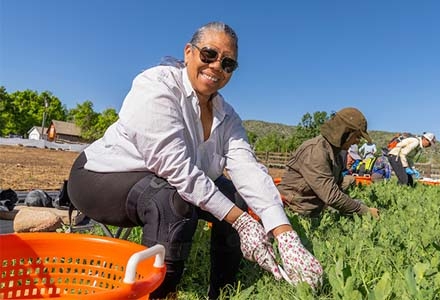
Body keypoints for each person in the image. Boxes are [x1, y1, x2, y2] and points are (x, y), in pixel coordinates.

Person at [67, 22, 322, 300]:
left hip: (165, 181)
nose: (216, 67)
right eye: (209, 54)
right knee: (170, 202)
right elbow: (176, 169)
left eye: (227, 64)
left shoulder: (227, 115)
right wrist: (241, 221)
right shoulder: (156, 86)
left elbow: (246, 167)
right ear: (189, 52)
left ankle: (222, 291)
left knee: (233, 195)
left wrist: (284, 233)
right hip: (100, 177)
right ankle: (160, 293)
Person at [276, 107, 379, 219]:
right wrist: (365, 211)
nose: (357, 141)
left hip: (314, 210)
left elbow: (337, 188)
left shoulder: (337, 153)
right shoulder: (315, 151)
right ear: (345, 133)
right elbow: (331, 196)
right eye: (357, 136)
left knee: (358, 203)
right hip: (292, 212)